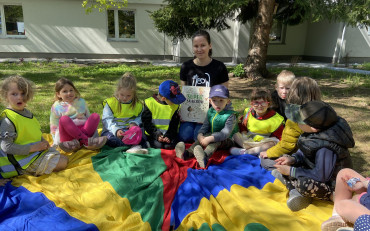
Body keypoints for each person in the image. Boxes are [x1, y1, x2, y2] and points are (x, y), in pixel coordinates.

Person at [273, 101, 355, 212]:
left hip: (331, 183)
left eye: (299, 121)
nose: (296, 122)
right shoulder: (314, 133)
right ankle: (295, 190)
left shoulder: (326, 148)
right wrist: (293, 159)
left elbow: (321, 176)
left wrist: (291, 171)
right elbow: (305, 153)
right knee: (285, 163)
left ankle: (326, 195)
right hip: (314, 170)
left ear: (313, 128)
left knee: (303, 184)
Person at [0, 76, 68, 178]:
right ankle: (26, 172)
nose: (19, 97)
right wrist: (33, 148)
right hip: (20, 163)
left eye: (23, 93)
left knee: (65, 158)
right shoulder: (8, 119)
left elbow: (33, 131)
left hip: (32, 154)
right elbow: (6, 147)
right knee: (63, 163)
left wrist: (42, 140)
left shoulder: (27, 113)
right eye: (14, 94)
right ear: (6, 96)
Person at [259, 77, 322, 170]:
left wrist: (268, 153)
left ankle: (289, 176)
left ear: (293, 94)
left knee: (266, 161)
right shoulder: (322, 110)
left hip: (304, 160)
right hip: (322, 159)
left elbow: (286, 145)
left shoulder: (295, 117)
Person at [179, 30, 229, 143]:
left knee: (197, 136)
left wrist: (214, 112)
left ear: (210, 46)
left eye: (203, 45)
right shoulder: (186, 66)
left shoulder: (219, 67)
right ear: (192, 47)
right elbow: (184, 93)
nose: (199, 49)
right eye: (196, 46)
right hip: (190, 112)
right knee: (184, 136)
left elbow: (224, 94)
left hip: (211, 112)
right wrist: (182, 111)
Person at [175, 85, 238, 168]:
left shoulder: (230, 115)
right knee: (200, 141)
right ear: (209, 101)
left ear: (228, 101)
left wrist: (210, 138)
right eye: (214, 100)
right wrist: (200, 134)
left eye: (221, 100)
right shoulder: (211, 111)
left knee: (215, 142)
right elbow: (205, 125)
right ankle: (187, 153)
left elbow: (225, 133)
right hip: (212, 135)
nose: (217, 104)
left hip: (228, 140)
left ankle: (204, 156)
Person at [50, 78, 107, 152]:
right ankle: (86, 142)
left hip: (84, 131)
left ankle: (79, 143)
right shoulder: (56, 106)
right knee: (64, 119)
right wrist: (56, 142)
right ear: (58, 94)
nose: (69, 93)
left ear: (74, 91)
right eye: (65, 91)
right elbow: (54, 126)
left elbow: (88, 117)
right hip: (68, 136)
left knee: (95, 116)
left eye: (71, 90)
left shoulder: (81, 102)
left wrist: (94, 135)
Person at [101, 72, 147, 154]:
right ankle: (133, 145)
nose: (125, 98)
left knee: (143, 132)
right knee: (110, 139)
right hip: (112, 131)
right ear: (118, 90)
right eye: (122, 95)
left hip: (129, 131)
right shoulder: (111, 103)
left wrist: (134, 123)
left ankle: (130, 145)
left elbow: (140, 117)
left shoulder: (138, 104)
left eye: (128, 96)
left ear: (134, 93)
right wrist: (116, 130)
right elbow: (107, 120)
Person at [230, 89, 284, 155]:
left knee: (271, 144)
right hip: (248, 139)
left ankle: (246, 152)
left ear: (268, 104)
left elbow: (280, 136)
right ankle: (253, 151)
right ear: (252, 104)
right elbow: (243, 125)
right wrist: (244, 133)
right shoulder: (248, 112)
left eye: (263, 102)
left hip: (263, 141)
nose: (259, 106)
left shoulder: (275, 119)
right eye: (256, 103)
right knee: (235, 134)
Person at [142, 80, 185, 149]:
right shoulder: (149, 103)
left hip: (167, 134)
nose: (176, 102)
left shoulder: (175, 106)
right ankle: (147, 143)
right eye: (173, 100)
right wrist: (157, 135)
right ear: (163, 98)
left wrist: (168, 136)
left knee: (169, 146)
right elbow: (147, 123)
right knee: (159, 146)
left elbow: (174, 124)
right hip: (153, 134)